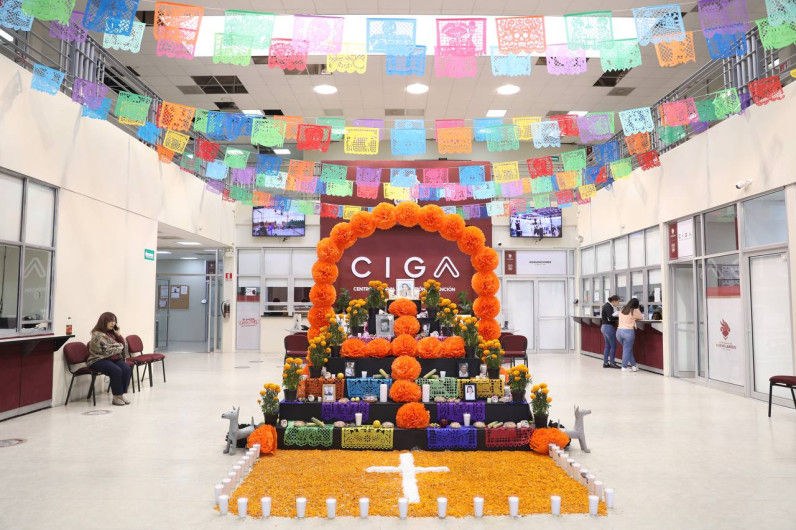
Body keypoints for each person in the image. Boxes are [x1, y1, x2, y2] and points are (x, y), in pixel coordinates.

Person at [87, 312, 132, 406]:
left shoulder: (112, 333)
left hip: (112, 359)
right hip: (97, 359)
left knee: (127, 369)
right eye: (110, 321)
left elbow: (123, 345)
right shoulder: (97, 334)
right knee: (116, 370)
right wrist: (119, 346)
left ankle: (121, 395)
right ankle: (116, 397)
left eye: (114, 321)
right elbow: (107, 350)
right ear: (104, 322)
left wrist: (119, 335)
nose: (113, 323)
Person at [616, 298, 643, 373]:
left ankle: (634, 366)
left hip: (619, 332)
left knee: (628, 350)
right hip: (628, 332)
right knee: (627, 350)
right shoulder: (634, 310)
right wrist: (637, 309)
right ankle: (624, 367)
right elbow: (641, 317)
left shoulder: (622, 308)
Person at [601, 295, 621, 368]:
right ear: (614, 301)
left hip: (604, 327)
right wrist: (619, 316)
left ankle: (606, 363)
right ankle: (612, 363)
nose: (618, 303)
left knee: (607, 346)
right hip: (608, 327)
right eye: (618, 301)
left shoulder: (606, 306)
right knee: (613, 346)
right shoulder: (608, 307)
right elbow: (610, 317)